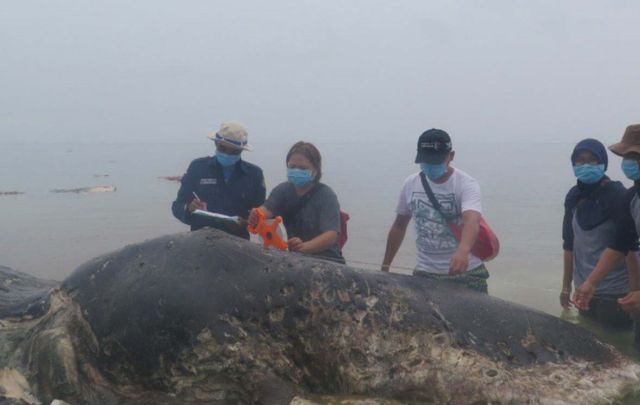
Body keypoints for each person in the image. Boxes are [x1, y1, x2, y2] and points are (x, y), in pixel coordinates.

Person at [381, 128, 489, 292]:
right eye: (426, 161)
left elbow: (472, 221)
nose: (431, 166)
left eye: (436, 161)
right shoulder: (410, 184)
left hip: (466, 272)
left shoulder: (466, 184)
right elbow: (399, 226)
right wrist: (385, 265)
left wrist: (463, 250)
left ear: (451, 156)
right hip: (425, 273)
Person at [560, 138, 634, 328]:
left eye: (593, 160)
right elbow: (569, 244)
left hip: (615, 291)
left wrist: (635, 290)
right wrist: (566, 286)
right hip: (583, 289)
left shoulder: (618, 195)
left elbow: (627, 246)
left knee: (619, 346)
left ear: (603, 163)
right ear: (573, 164)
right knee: (587, 341)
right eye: (580, 160)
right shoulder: (574, 196)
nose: (586, 165)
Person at [573, 125, 640, 315]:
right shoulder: (631, 197)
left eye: (637, 157)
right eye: (628, 157)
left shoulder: (617, 194)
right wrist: (591, 283)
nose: (630, 163)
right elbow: (622, 245)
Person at [248, 141, 345, 263]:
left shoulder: (326, 195)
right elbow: (267, 210)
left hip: (325, 260)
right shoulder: (283, 190)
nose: (296, 170)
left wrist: (304, 247)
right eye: (292, 167)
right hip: (291, 257)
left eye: (303, 168)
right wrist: (256, 215)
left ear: (315, 170)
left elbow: (331, 235)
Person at [171, 121, 266, 238]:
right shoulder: (197, 167)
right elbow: (177, 206)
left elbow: (263, 216)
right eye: (223, 149)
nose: (227, 154)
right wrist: (189, 209)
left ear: (242, 150)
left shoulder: (254, 175)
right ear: (216, 143)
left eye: (234, 151)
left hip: (239, 246)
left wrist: (250, 222)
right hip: (200, 242)